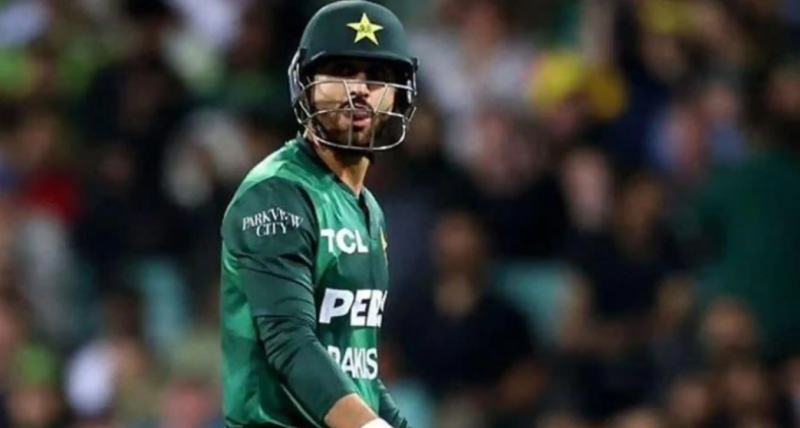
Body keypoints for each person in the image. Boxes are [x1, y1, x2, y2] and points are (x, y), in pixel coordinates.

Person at [218, 2, 418, 428]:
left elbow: (358, 371)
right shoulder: (275, 194)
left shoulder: (367, 207)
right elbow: (290, 344)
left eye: (377, 77)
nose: (359, 90)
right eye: (342, 71)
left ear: (400, 95)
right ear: (305, 85)